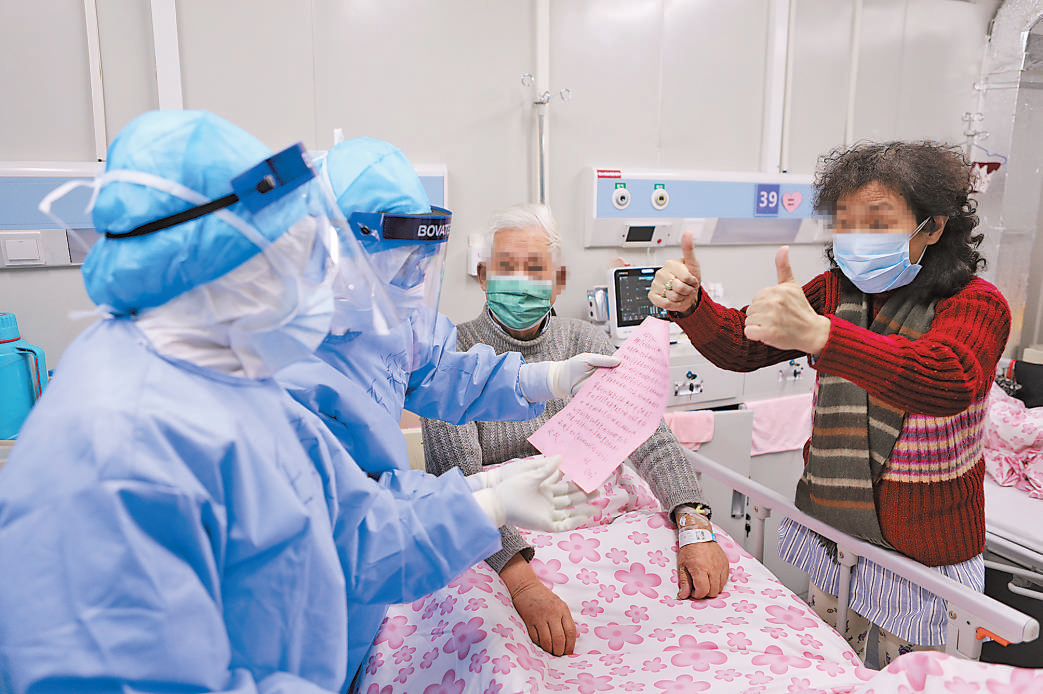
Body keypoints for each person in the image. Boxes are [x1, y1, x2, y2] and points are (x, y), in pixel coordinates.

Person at [0, 110, 589, 694]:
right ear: (212, 259)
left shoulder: (230, 378)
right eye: (292, 253)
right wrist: (485, 500)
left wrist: (482, 501)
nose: (309, 280)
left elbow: (347, 525)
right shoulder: (115, 447)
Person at [648, 140, 1011, 665]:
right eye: (846, 223)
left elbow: (949, 378)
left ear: (932, 227)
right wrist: (693, 306)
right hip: (837, 539)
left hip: (926, 559)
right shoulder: (836, 292)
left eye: (877, 222)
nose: (858, 238)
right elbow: (741, 345)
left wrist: (823, 337)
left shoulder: (976, 304)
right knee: (831, 668)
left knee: (918, 677)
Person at [276, 137, 612, 680]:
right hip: (301, 610)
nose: (412, 280)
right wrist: (485, 502)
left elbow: (444, 372)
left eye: (419, 262)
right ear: (336, 250)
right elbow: (348, 531)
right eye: (397, 263)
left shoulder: (386, 313)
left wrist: (544, 377)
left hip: (364, 593)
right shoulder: (284, 360)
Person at [421, 202, 731, 658]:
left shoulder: (584, 342)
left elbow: (648, 435)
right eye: (506, 267)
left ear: (559, 280)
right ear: (483, 277)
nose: (521, 281)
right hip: (506, 538)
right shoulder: (453, 354)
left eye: (535, 269)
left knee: (695, 629)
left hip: (606, 522)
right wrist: (525, 587)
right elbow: (460, 483)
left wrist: (693, 522)